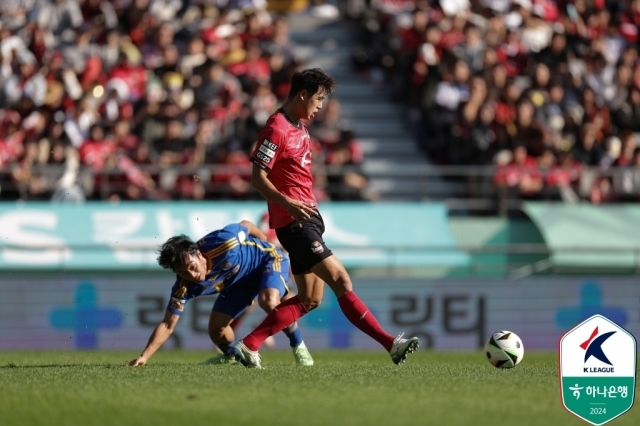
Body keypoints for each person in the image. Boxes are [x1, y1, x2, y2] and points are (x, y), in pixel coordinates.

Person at [230, 68, 420, 368]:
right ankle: (391, 344)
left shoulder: (300, 126)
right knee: (342, 280)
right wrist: (287, 202)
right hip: (294, 222)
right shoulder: (276, 128)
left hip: (307, 218)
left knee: (310, 300)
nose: (320, 106)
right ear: (303, 95)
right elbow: (257, 177)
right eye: (318, 99)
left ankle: (250, 344)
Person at [128, 220, 314, 367]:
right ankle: (233, 355)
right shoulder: (183, 286)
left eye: (192, 267)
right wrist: (144, 357)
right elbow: (168, 324)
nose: (192, 275)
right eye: (183, 272)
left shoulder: (223, 241)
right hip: (238, 284)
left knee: (269, 301)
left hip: (267, 260)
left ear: (199, 254)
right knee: (216, 329)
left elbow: (247, 225)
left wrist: (265, 242)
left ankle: (299, 346)